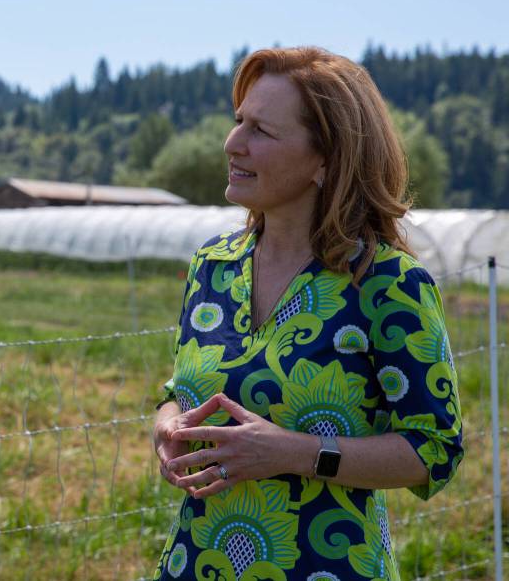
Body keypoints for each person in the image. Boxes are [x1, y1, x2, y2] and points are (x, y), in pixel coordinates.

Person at [152, 47, 463, 580]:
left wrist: (297, 453)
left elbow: (434, 449)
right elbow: (174, 392)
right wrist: (166, 429)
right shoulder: (213, 266)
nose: (232, 144)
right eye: (237, 122)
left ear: (326, 159)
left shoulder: (387, 284)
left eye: (261, 132)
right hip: (196, 564)